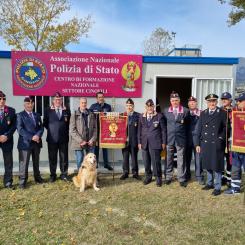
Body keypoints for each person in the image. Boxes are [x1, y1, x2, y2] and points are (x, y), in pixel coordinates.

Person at [195, 94, 227, 196]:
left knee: (217, 165)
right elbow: (199, 129)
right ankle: (209, 183)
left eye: (213, 101)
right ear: (207, 103)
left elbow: (226, 128)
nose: (212, 103)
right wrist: (197, 144)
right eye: (210, 101)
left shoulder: (222, 113)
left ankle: (217, 186)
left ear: (216, 102)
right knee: (207, 163)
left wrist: (221, 138)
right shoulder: (203, 113)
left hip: (216, 142)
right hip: (205, 142)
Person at [16, 96, 44, 189]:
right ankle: (22, 181)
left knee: (36, 162)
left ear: (33, 104)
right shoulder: (20, 115)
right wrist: (32, 137)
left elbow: (41, 127)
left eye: (31, 103)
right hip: (25, 143)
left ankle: (38, 178)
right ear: (24, 104)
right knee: (24, 163)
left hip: (36, 143)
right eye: (28, 103)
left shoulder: (37, 115)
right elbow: (20, 129)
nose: (30, 105)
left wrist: (38, 135)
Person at [163, 91, 189, 187]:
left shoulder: (185, 111)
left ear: (179, 101)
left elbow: (187, 126)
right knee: (169, 159)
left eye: (176, 100)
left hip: (180, 139)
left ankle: (181, 178)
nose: (175, 102)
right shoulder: (166, 111)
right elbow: (164, 126)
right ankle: (168, 177)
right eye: (173, 100)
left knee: (180, 159)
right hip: (169, 139)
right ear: (170, 101)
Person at [43, 92, 71, 182]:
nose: (58, 101)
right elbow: (45, 123)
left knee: (64, 158)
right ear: (53, 100)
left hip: (63, 138)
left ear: (62, 100)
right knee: (52, 158)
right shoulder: (47, 110)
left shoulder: (66, 110)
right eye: (56, 99)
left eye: (59, 99)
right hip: (52, 138)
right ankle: (53, 175)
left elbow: (68, 124)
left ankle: (64, 174)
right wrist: (53, 130)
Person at [138, 99, 166, 187]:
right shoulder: (141, 116)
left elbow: (163, 131)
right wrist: (139, 142)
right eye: (148, 106)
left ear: (154, 107)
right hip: (144, 143)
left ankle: (158, 178)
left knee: (156, 162)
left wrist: (164, 142)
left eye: (151, 106)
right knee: (146, 162)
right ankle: (148, 177)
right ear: (145, 107)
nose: (149, 108)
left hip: (156, 142)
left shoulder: (159, 116)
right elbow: (139, 131)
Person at [224, 92, 245, 195]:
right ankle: (235, 188)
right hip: (236, 145)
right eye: (237, 100)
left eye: (240, 101)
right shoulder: (234, 111)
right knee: (235, 167)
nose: (238, 102)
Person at [70, 97, 97, 170]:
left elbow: (95, 129)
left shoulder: (91, 114)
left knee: (91, 161)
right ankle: (81, 176)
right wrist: (81, 141)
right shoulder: (74, 114)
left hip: (90, 142)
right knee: (80, 160)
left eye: (85, 103)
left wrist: (92, 139)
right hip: (79, 142)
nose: (84, 104)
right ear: (79, 103)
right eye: (82, 103)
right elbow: (72, 130)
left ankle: (91, 176)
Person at [89, 91, 113, 170]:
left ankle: (106, 164)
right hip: (96, 132)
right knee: (96, 149)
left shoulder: (108, 107)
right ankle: (95, 164)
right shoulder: (93, 106)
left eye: (102, 97)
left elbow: (111, 118)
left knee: (105, 148)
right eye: (99, 97)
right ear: (97, 98)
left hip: (105, 131)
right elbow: (90, 117)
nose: (101, 98)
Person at [120, 98, 141, 180]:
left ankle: (135, 173)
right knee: (125, 157)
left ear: (133, 106)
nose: (129, 107)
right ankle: (125, 172)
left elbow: (140, 129)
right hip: (124, 141)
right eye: (127, 106)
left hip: (134, 140)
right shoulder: (122, 115)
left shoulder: (138, 116)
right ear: (126, 106)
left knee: (134, 158)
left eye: (130, 106)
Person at [186, 96, 204, 184]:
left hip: (198, 140)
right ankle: (187, 175)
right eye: (190, 102)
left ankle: (199, 176)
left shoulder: (202, 113)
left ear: (196, 103)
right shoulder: (185, 113)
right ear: (188, 104)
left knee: (199, 159)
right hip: (187, 140)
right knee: (187, 159)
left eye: (193, 102)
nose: (192, 104)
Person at [0, 91, 16, 188]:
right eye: (0, 99)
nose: (2, 101)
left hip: (7, 140)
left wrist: (6, 135)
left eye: (4, 99)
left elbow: (14, 126)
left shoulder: (11, 110)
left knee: (8, 162)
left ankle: (8, 182)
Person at [220, 92, 233, 187]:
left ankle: (229, 178)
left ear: (230, 100)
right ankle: (221, 178)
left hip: (230, 140)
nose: (224, 100)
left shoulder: (235, 110)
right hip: (220, 139)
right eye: (222, 99)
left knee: (229, 160)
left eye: (226, 99)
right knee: (220, 159)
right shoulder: (219, 111)